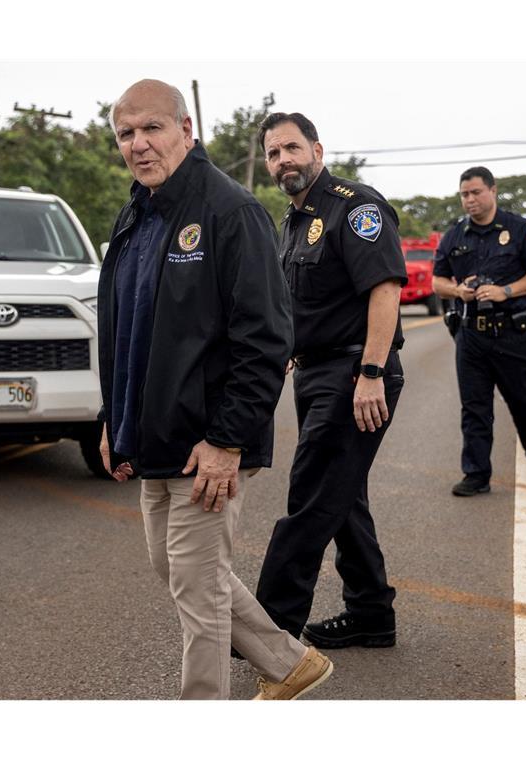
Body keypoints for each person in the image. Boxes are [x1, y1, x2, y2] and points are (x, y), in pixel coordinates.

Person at [97, 80, 332, 700]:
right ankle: (289, 662)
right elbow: (125, 331)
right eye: (126, 133)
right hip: (152, 436)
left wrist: (227, 440)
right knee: (177, 573)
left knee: (198, 595)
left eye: (152, 128)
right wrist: (111, 418)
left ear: (186, 130)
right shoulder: (136, 215)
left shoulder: (230, 212)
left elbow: (266, 339)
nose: (139, 144)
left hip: (210, 442)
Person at [254, 112, 406, 650]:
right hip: (317, 370)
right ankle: (370, 614)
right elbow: (300, 300)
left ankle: (268, 629)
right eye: (273, 154)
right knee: (343, 497)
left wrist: (371, 373)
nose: (282, 161)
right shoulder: (291, 221)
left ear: (317, 149)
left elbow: (384, 289)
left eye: (291, 148)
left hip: (354, 372)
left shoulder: (355, 206)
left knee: (312, 495)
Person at [431, 166, 526, 497]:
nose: (469, 200)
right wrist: (458, 292)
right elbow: (437, 281)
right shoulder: (454, 236)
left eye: (475, 193)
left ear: (492, 190)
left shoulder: (519, 228)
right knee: (474, 408)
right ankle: (476, 474)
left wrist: (506, 291)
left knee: (525, 403)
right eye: (464, 195)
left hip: (513, 334)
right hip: (471, 336)